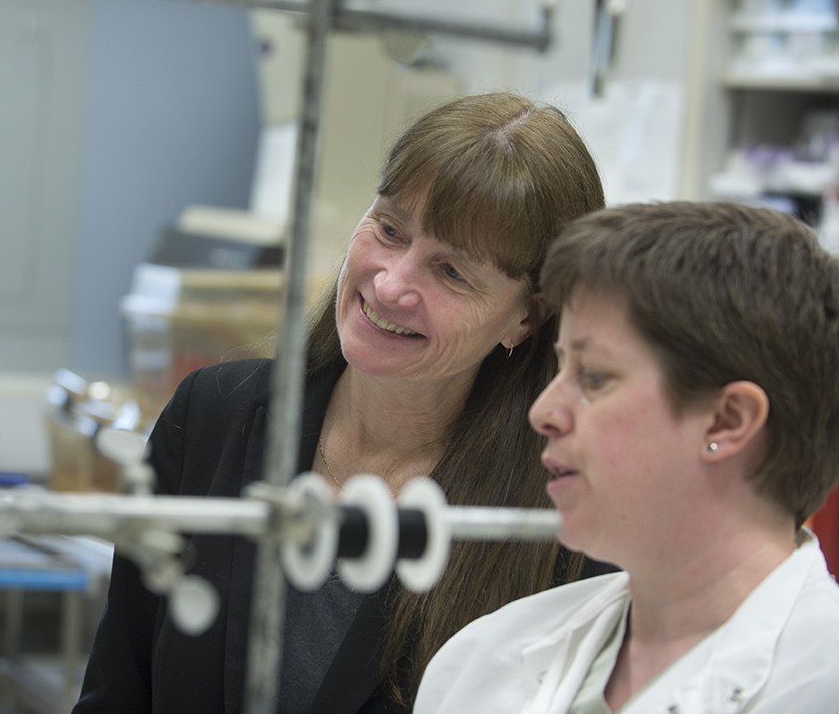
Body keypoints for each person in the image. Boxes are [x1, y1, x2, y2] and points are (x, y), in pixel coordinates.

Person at [74, 92, 606, 714]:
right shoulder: (212, 417)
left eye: (452, 272)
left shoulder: (557, 519)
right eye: (389, 229)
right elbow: (117, 690)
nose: (390, 283)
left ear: (526, 317)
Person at [413, 201, 839, 714]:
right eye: (559, 368)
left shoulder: (819, 681)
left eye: (594, 377)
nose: (544, 412)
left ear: (728, 421)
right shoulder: (482, 662)